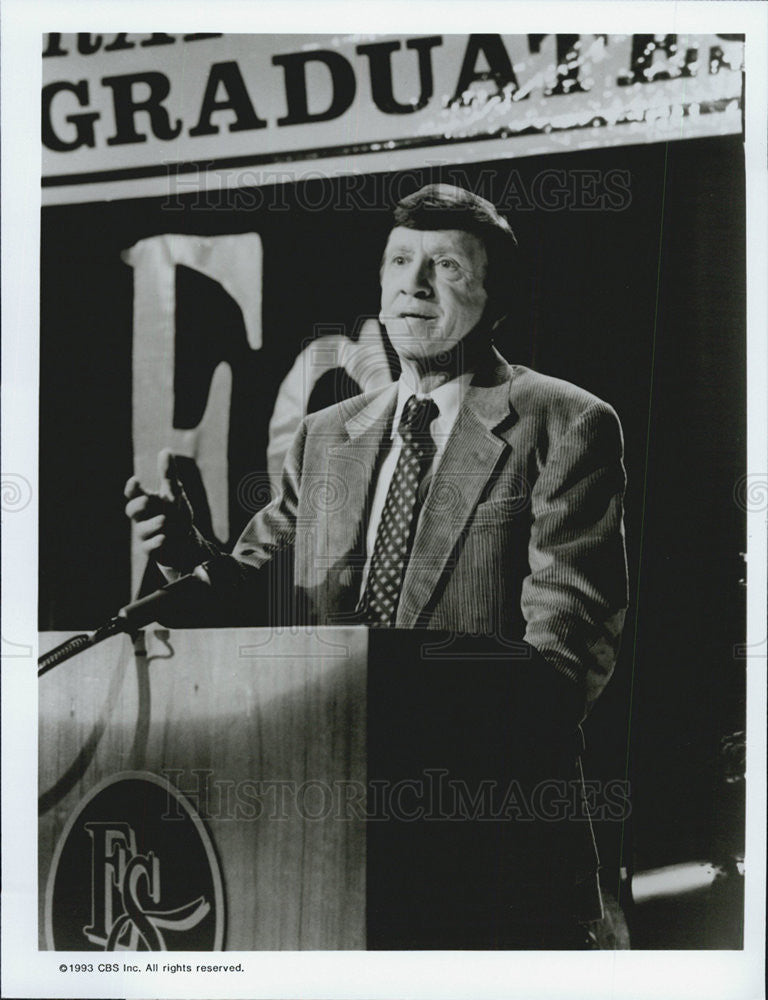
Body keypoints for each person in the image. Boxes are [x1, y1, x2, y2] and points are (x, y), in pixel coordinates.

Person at [125, 183, 629, 947]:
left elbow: (565, 655)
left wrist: (411, 740)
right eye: (399, 261)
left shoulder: (565, 423)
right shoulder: (328, 434)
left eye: (446, 266)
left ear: (497, 300)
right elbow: (255, 589)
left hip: (479, 842)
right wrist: (186, 556)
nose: (412, 285)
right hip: (321, 834)